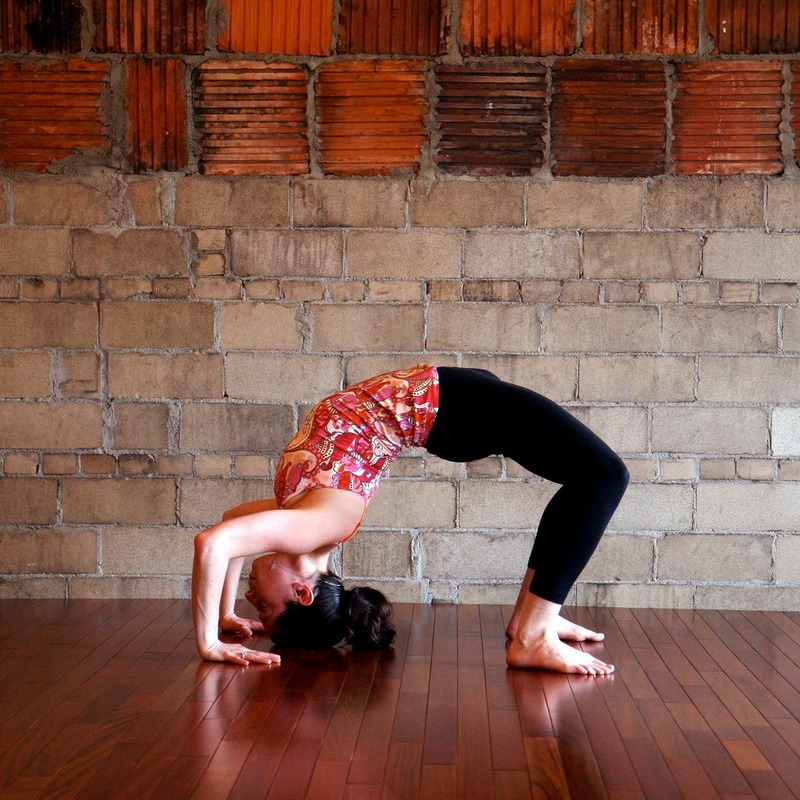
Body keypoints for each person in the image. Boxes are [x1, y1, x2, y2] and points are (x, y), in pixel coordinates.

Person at [192, 364, 629, 675]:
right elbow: (216, 543)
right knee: (604, 476)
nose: (253, 596)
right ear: (302, 592)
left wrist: (223, 619)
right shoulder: (318, 525)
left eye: (255, 606)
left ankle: (533, 621)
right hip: (452, 408)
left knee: (588, 479)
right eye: (263, 605)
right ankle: (533, 632)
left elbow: (225, 530)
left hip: (451, 403)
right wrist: (210, 638)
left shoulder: (301, 520)